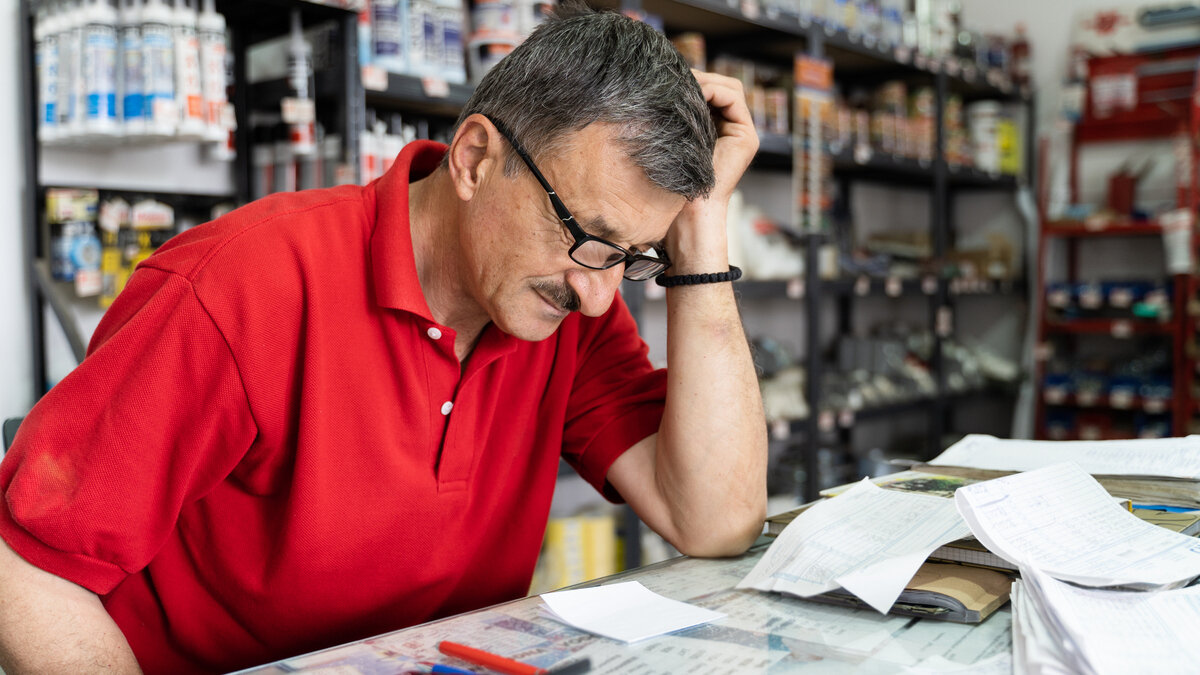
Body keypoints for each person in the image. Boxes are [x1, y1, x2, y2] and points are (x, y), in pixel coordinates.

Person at [0, 5, 766, 674]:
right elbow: (24, 566)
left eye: (631, 257)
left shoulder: (571, 303)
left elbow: (715, 520)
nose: (600, 296)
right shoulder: (238, 287)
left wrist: (698, 232)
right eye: (588, 235)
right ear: (473, 159)